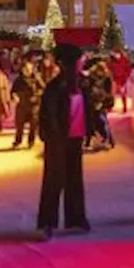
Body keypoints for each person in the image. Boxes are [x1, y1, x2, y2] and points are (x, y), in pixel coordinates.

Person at [36, 44, 93, 240]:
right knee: (54, 180)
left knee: (75, 179)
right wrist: (53, 137)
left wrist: (92, 129)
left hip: (76, 137)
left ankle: (76, 217)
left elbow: (89, 108)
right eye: (79, 60)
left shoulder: (83, 83)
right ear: (69, 64)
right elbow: (47, 116)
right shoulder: (55, 87)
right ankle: (47, 222)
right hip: (58, 140)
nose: (82, 63)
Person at [82, 59, 116, 151]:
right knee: (92, 122)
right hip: (92, 103)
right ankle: (93, 141)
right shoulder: (91, 78)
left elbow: (109, 92)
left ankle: (108, 141)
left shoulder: (107, 78)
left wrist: (104, 103)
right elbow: (87, 89)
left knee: (102, 121)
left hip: (101, 103)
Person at [10, 61, 44, 149]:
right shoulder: (18, 80)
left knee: (33, 124)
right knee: (19, 125)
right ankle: (18, 141)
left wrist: (36, 95)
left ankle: (31, 141)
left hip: (34, 105)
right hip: (22, 105)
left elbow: (43, 89)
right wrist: (15, 97)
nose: (28, 71)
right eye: (26, 69)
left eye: (29, 69)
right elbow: (13, 91)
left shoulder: (37, 78)